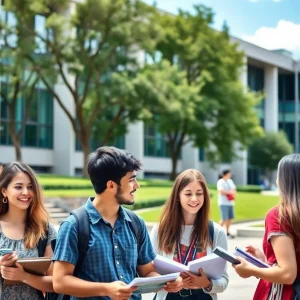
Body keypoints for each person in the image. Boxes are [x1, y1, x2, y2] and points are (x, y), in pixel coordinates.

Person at [52, 146, 182, 300]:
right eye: (131, 179)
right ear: (111, 185)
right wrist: (106, 289)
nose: (137, 185)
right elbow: (60, 282)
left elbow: (147, 271)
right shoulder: (75, 225)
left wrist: (167, 281)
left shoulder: (135, 223)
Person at [150, 169, 229, 300]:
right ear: (178, 197)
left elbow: (224, 281)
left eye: (199, 193)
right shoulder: (160, 230)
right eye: (188, 194)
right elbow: (149, 273)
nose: (194, 199)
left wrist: (207, 284)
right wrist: (169, 283)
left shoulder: (216, 232)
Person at [233, 154, 300, 299]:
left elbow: (287, 274)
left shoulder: (279, 215)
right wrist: (266, 261)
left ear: (284, 180)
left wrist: (251, 270)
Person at [0, 161, 56, 299]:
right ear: (4, 191)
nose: (26, 192)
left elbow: (56, 282)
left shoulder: (45, 230)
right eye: (18, 187)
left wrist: (24, 276)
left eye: (30, 187)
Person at [217, 170, 236, 238]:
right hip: (223, 203)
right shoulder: (220, 182)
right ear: (225, 174)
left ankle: (227, 232)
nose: (230, 174)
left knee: (230, 218)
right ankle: (216, 232)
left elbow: (234, 190)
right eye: (229, 173)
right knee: (224, 218)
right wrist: (230, 192)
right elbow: (221, 191)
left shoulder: (230, 181)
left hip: (230, 203)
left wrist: (230, 192)